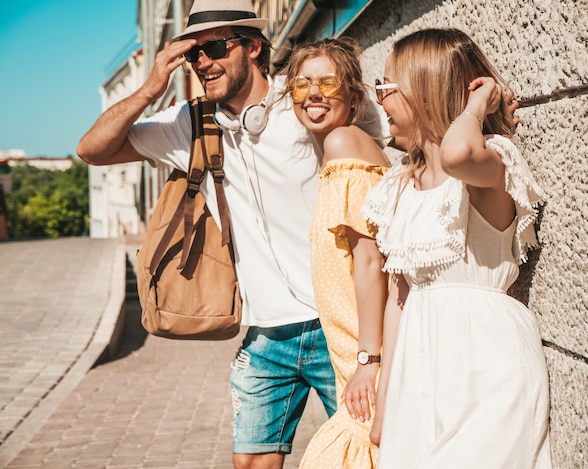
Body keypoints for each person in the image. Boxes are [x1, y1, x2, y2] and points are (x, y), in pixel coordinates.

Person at [75, 1, 349, 467]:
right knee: (251, 462)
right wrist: (149, 89)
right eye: (193, 54)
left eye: (215, 47)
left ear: (254, 47)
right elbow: (91, 150)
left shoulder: (305, 100)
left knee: (367, 452)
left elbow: (397, 125)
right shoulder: (191, 123)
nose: (203, 62)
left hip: (339, 324)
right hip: (264, 333)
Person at [363, 28, 553, 468]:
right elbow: (399, 299)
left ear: (425, 90)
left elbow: (455, 155)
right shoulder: (400, 187)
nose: (379, 100)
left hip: (486, 367)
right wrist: (386, 400)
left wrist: (473, 107)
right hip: (419, 373)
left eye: (387, 87)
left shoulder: (489, 161)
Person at [281, 38, 389, 468]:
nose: (313, 93)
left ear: (354, 96)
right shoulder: (342, 146)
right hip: (350, 345)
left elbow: (369, 259)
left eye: (328, 82)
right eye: (302, 84)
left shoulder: (344, 142)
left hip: (364, 349)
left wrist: (369, 359)